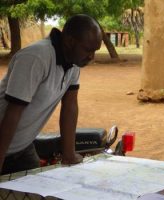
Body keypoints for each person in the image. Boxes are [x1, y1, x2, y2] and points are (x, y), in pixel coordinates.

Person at [0, 14, 102, 174]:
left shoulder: (73, 64)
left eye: (95, 51)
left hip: (22, 148)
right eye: (88, 50)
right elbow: (13, 113)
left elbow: (70, 106)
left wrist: (69, 155)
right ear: (69, 41)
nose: (91, 57)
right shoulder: (35, 58)